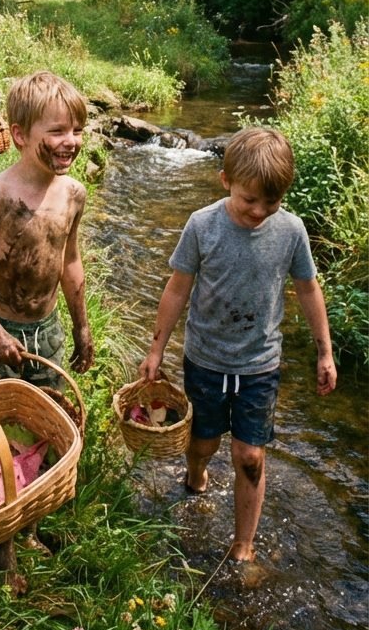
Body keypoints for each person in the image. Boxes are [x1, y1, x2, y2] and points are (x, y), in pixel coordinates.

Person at [138, 126, 337, 564]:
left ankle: (242, 545)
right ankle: (196, 473)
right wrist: (156, 349)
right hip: (205, 359)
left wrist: (324, 352)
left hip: (260, 364)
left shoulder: (290, 232)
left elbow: (308, 289)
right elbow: (176, 290)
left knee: (250, 454)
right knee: (204, 442)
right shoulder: (203, 225)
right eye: (250, 200)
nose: (260, 211)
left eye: (272, 202)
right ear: (225, 179)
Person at [0, 70, 94, 582]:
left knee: (42, 432)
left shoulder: (73, 194)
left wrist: (81, 326)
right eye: (55, 131)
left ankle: (27, 523)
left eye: (76, 129)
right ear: (19, 134)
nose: (69, 141)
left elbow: (69, 261)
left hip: (46, 333)